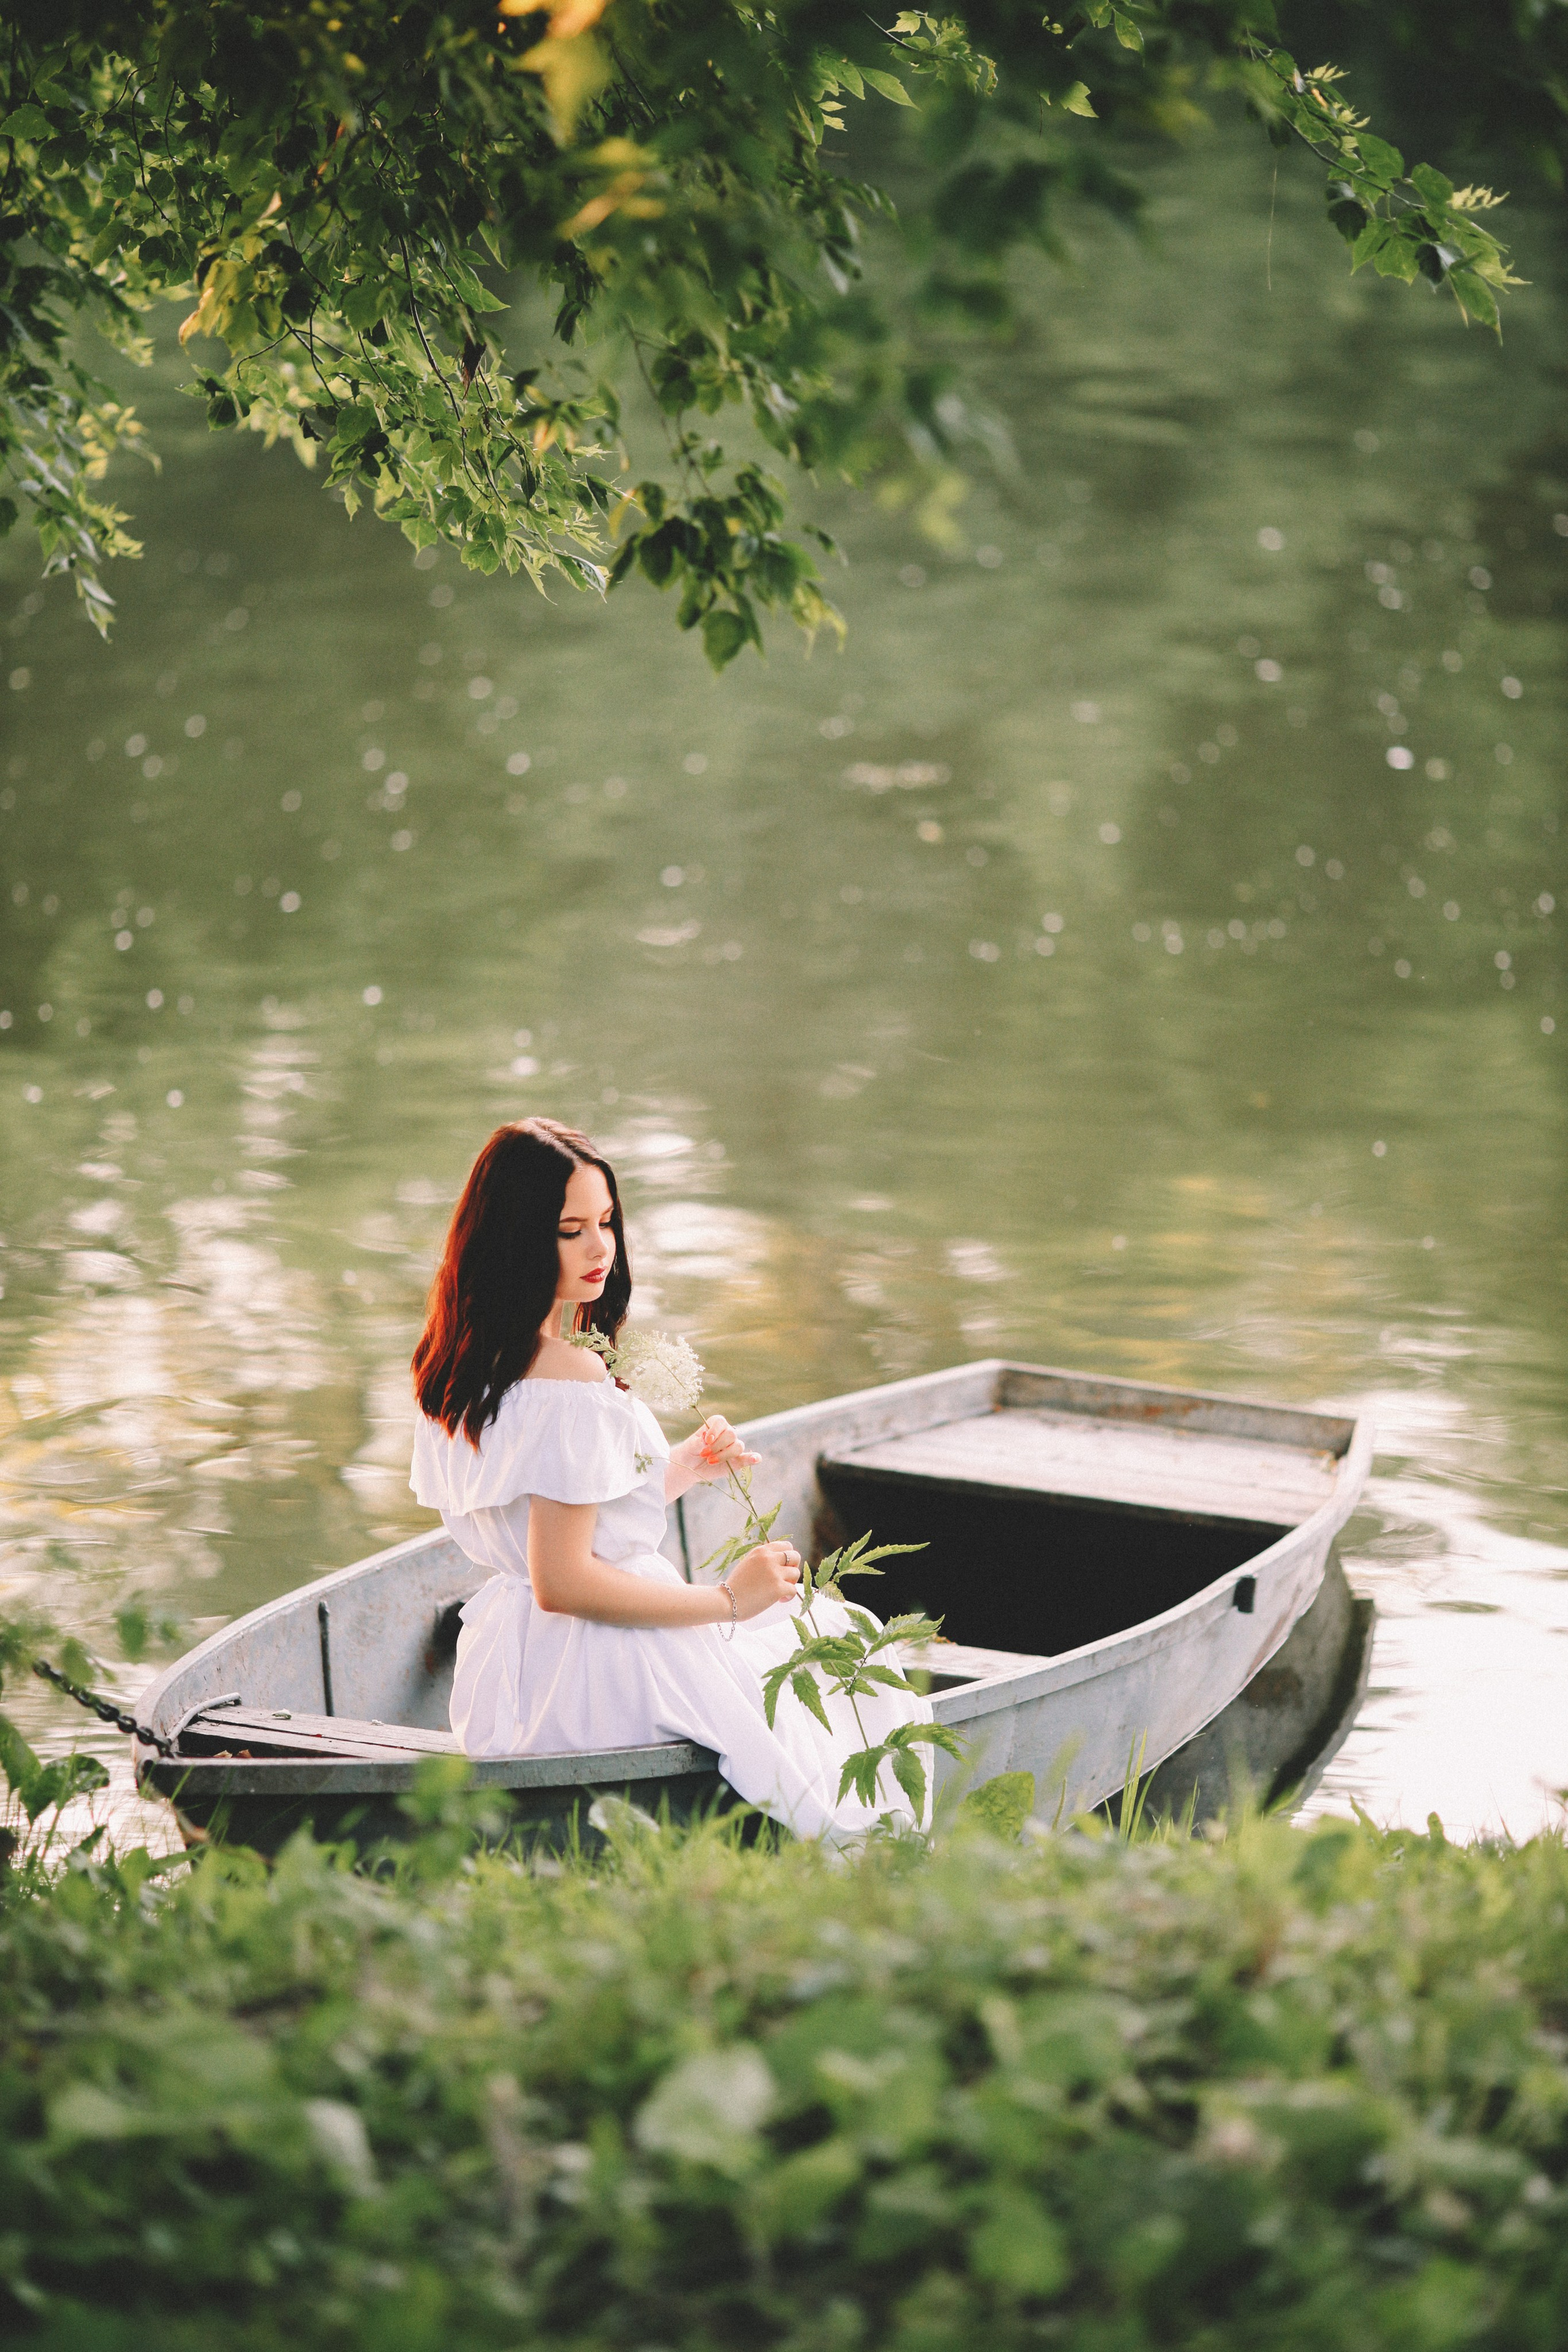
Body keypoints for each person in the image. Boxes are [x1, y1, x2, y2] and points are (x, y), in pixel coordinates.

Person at [409, 1117, 933, 1841]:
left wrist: (677, 1468)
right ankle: (867, 1843)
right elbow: (563, 1580)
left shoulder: (457, 1368)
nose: (600, 1248)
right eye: (570, 1230)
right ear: (516, 1238)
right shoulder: (570, 1376)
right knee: (848, 1640)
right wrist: (727, 1599)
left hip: (510, 1671)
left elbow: (551, 1525)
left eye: (606, 1222)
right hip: (602, 1666)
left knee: (811, 1635)